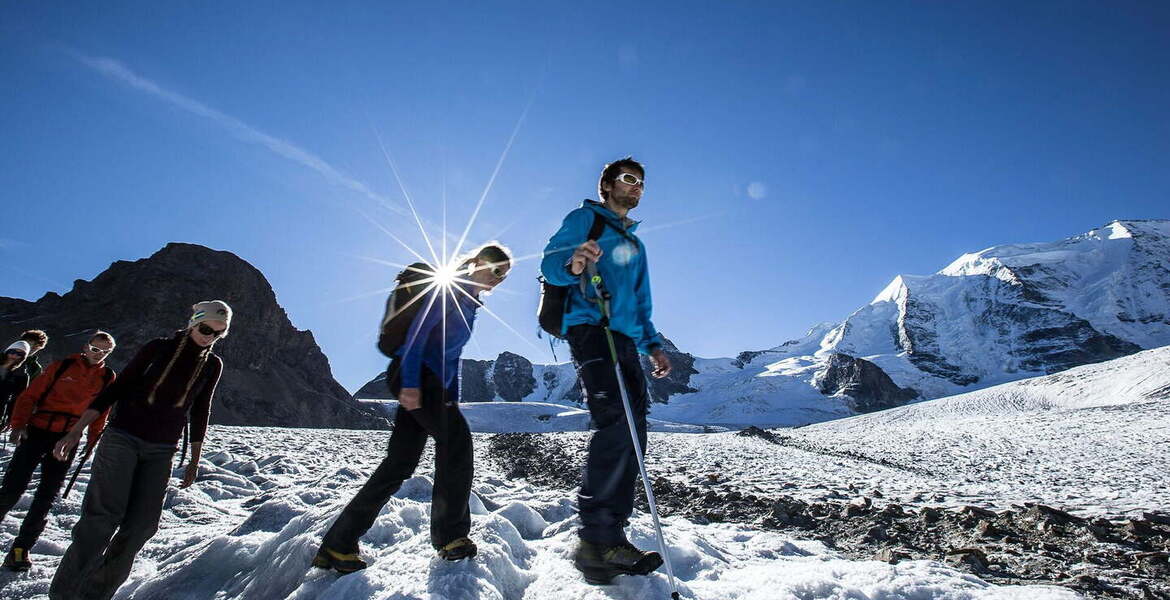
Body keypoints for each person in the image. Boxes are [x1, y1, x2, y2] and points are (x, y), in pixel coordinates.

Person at [314, 243, 512, 573]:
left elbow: (451, 357)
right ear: (477, 263)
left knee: (399, 463)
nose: (498, 279)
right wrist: (409, 383)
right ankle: (451, 537)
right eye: (495, 270)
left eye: (504, 276)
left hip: (429, 382)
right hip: (419, 376)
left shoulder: (469, 300)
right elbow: (418, 335)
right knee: (458, 445)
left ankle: (338, 544)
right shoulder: (452, 291)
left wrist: (449, 396)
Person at [539, 157, 673, 584]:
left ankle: (611, 537)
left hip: (626, 340)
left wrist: (653, 344)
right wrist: (574, 261)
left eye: (642, 184)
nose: (636, 188)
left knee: (635, 433)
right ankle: (595, 542)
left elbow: (639, 300)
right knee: (615, 423)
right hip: (590, 330)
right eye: (629, 180)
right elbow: (549, 263)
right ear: (608, 185)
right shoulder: (586, 219)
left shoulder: (635, 245)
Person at [48, 301, 231, 600]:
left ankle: (95, 594)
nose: (209, 337)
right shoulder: (158, 348)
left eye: (218, 334)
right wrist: (77, 428)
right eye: (206, 328)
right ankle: (64, 595)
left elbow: (200, 410)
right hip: (123, 436)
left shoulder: (212, 365)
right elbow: (118, 387)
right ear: (193, 321)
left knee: (143, 524)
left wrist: (194, 460)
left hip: (163, 448)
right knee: (102, 518)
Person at [0, 331, 117, 571]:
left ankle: (21, 549)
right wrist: (19, 425)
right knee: (13, 488)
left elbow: (100, 412)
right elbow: (29, 396)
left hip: (67, 438)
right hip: (37, 431)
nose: (99, 355)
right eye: (95, 349)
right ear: (86, 347)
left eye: (105, 352)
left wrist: (92, 442)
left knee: (47, 496)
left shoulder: (107, 377)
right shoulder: (62, 366)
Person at [1, 340, 34, 431]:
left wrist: (10, 419)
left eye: (19, 354)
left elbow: (17, 399)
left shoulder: (21, 376)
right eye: (12, 352)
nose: (14, 356)